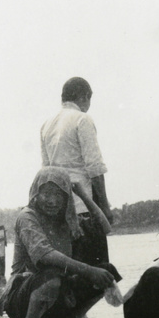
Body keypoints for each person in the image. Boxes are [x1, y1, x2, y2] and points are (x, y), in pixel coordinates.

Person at [0, 167, 121, 318]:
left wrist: (83, 196)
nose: (52, 201)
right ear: (35, 193)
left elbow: (104, 229)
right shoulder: (27, 216)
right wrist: (89, 271)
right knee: (52, 274)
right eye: (46, 194)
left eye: (59, 195)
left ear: (66, 198)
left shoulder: (67, 219)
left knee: (107, 271)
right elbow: (45, 255)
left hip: (56, 296)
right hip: (22, 298)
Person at [40, 77, 112, 265]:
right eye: (89, 100)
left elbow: (46, 173)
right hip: (84, 211)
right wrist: (104, 206)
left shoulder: (46, 125)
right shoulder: (82, 119)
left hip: (59, 215)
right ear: (84, 97)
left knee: (72, 275)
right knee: (98, 273)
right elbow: (95, 168)